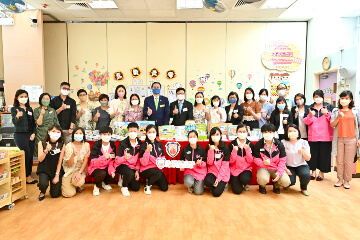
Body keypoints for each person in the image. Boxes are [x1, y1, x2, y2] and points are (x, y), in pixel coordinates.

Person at [330, 91, 360, 189]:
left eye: (346, 98)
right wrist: (338, 117)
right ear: (339, 99)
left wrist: (359, 138)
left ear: (350, 99)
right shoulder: (335, 111)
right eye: (342, 98)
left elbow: (359, 125)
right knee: (339, 160)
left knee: (349, 161)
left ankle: (347, 180)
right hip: (339, 138)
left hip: (352, 139)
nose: (344, 100)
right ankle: (339, 179)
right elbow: (332, 124)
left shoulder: (355, 111)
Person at [303, 89, 334, 181]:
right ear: (313, 98)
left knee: (324, 155)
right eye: (316, 97)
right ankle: (313, 172)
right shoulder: (309, 108)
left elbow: (333, 121)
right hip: (313, 136)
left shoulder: (329, 107)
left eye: (319, 96)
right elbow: (306, 122)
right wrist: (310, 115)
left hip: (326, 136)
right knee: (313, 155)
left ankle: (321, 173)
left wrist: (327, 113)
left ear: (323, 97)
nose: (318, 98)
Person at [253, 123, 291, 194]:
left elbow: (283, 160)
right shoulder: (258, 144)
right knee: (263, 179)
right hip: (263, 167)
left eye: (270, 132)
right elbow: (256, 159)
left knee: (286, 182)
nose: (268, 134)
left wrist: (279, 172)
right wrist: (263, 163)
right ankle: (262, 186)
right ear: (262, 133)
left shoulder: (279, 144)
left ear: (274, 133)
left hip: (275, 167)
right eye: (265, 132)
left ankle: (276, 185)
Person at [11, 89, 37, 184]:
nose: (24, 98)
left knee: (30, 156)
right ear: (17, 98)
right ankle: (24, 176)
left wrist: (34, 133)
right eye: (21, 97)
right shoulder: (14, 109)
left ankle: (28, 176)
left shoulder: (30, 109)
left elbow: (33, 123)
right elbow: (14, 122)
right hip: (20, 135)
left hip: (30, 135)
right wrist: (17, 116)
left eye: (25, 96)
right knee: (27, 155)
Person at [111, 122, 142, 196]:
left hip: (133, 167)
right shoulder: (123, 143)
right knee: (129, 173)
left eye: (135, 131)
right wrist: (124, 158)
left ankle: (124, 177)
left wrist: (137, 170)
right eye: (131, 131)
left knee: (135, 188)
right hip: (121, 164)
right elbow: (117, 159)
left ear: (138, 131)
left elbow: (139, 160)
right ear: (127, 131)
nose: (133, 133)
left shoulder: (140, 144)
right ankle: (124, 187)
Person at [36, 124, 65, 201]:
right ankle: (42, 192)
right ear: (48, 132)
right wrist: (46, 150)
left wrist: (57, 175)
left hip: (56, 170)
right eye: (53, 131)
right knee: (43, 184)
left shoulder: (62, 144)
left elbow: (60, 161)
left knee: (55, 195)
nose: (55, 133)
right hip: (44, 169)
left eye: (58, 132)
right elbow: (40, 159)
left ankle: (57, 187)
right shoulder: (41, 143)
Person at [281, 124, 311, 196]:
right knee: (290, 181)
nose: (293, 132)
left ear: (298, 132)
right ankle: (287, 184)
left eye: (295, 131)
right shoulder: (283, 142)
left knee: (306, 175)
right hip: (288, 166)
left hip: (301, 165)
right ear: (287, 133)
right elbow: (280, 158)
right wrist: (285, 168)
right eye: (290, 131)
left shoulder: (303, 142)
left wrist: (303, 153)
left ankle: (304, 188)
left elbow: (308, 158)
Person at [139, 124, 168, 194]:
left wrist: (161, 163)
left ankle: (153, 180)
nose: (151, 134)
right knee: (158, 173)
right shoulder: (143, 145)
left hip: (158, 169)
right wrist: (147, 151)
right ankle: (147, 185)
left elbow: (162, 158)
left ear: (156, 133)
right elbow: (144, 163)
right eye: (149, 132)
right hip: (146, 169)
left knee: (164, 188)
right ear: (146, 133)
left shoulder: (160, 144)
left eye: (153, 132)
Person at [61, 127, 90, 197]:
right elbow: (69, 164)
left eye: (80, 133)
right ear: (73, 135)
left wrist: (80, 173)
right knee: (68, 194)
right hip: (69, 170)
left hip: (80, 170)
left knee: (78, 182)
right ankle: (72, 184)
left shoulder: (86, 145)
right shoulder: (68, 146)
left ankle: (78, 185)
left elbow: (85, 161)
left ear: (83, 135)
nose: (78, 135)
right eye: (76, 133)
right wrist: (73, 155)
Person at [88, 126, 116, 196]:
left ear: (111, 135)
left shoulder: (112, 145)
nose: (106, 136)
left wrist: (111, 170)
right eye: (104, 134)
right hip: (95, 168)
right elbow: (93, 162)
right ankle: (97, 186)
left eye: (108, 135)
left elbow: (112, 160)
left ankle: (104, 183)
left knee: (114, 174)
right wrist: (103, 158)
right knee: (101, 173)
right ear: (100, 135)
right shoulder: (96, 146)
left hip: (106, 166)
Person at [204, 127, 230, 197]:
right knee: (207, 182)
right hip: (212, 172)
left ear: (221, 135)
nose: (215, 137)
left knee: (216, 193)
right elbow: (209, 163)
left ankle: (223, 183)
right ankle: (214, 184)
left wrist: (218, 179)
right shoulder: (208, 147)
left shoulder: (225, 148)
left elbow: (225, 166)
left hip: (222, 173)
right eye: (213, 135)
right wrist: (211, 151)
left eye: (217, 134)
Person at [228, 124, 254, 194]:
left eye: (244, 131)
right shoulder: (232, 144)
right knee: (237, 191)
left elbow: (250, 160)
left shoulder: (250, 144)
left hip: (246, 169)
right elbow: (230, 161)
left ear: (247, 132)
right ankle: (238, 182)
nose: (242, 133)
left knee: (245, 179)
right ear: (236, 132)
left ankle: (245, 183)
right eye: (240, 131)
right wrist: (234, 151)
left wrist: (247, 150)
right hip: (234, 169)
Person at [179, 130, 207, 195]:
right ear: (188, 139)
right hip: (189, 171)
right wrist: (181, 166)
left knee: (198, 192)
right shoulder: (185, 149)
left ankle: (199, 183)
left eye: (194, 136)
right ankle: (191, 185)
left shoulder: (201, 149)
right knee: (188, 182)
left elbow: (205, 162)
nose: (192, 138)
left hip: (199, 171)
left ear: (197, 138)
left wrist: (201, 163)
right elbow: (181, 160)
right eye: (190, 137)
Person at [33, 93, 59, 157]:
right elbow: (38, 123)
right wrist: (41, 114)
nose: (46, 100)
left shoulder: (52, 110)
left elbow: (56, 123)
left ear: (50, 100)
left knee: (51, 152)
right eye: (44, 98)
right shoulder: (36, 110)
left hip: (51, 134)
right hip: (40, 134)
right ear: (40, 100)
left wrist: (57, 133)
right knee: (40, 152)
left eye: (47, 99)